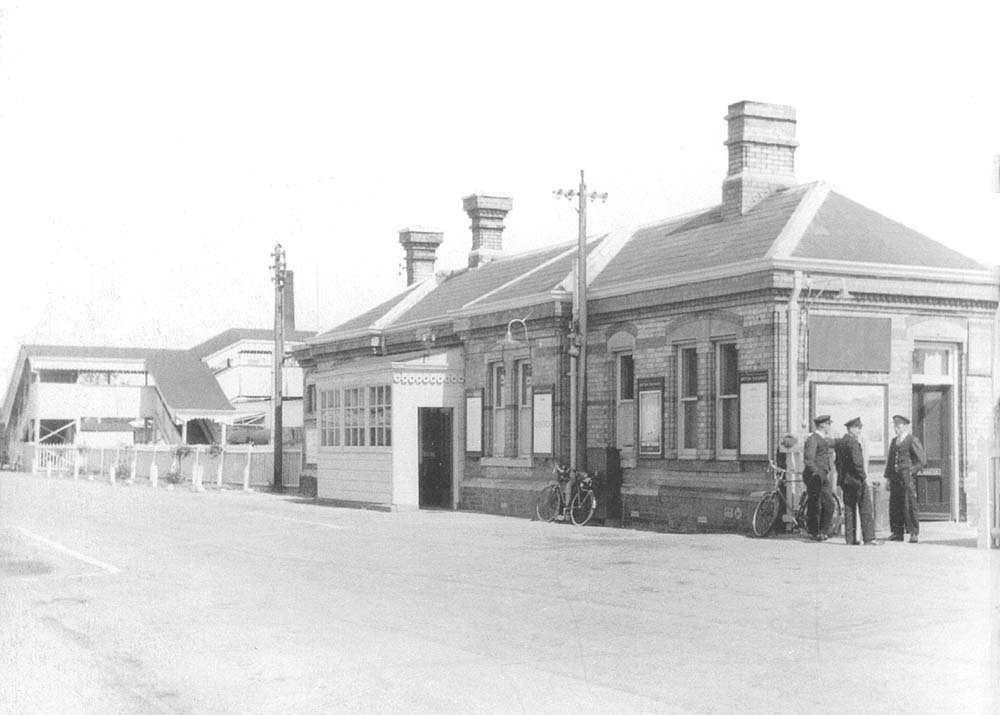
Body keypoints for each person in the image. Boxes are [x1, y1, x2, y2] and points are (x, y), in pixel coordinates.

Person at [834, 417, 880, 545]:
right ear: (852, 428)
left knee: (849, 509)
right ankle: (869, 538)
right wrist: (863, 477)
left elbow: (837, 463)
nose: (860, 431)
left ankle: (850, 538)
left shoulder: (841, 443)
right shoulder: (853, 443)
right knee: (865, 508)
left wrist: (842, 477)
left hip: (845, 481)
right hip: (857, 480)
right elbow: (858, 463)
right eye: (858, 428)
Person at [884, 414, 926, 542]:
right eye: (895, 426)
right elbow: (890, 461)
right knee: (895, 505)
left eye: (899, 426)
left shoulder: (912, 440)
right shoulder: (894, 441)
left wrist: (911, 471)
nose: (896, 429)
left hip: (907, 479)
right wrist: (888, 479)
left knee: (909, 504)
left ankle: (913, 532)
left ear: (905, 426)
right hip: (895, 478)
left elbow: (922, 461)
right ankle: (897, 532)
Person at [802, 415, 836, 540]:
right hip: (815, 475)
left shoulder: (821, 439)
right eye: (829, 424)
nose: (830, 427)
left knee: (821, 503)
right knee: (820, 503)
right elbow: (808, 459)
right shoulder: (813, 439)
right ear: (823, 425)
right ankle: (818, 532)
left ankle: (818, 531)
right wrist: (816, 473)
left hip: (820, 475)